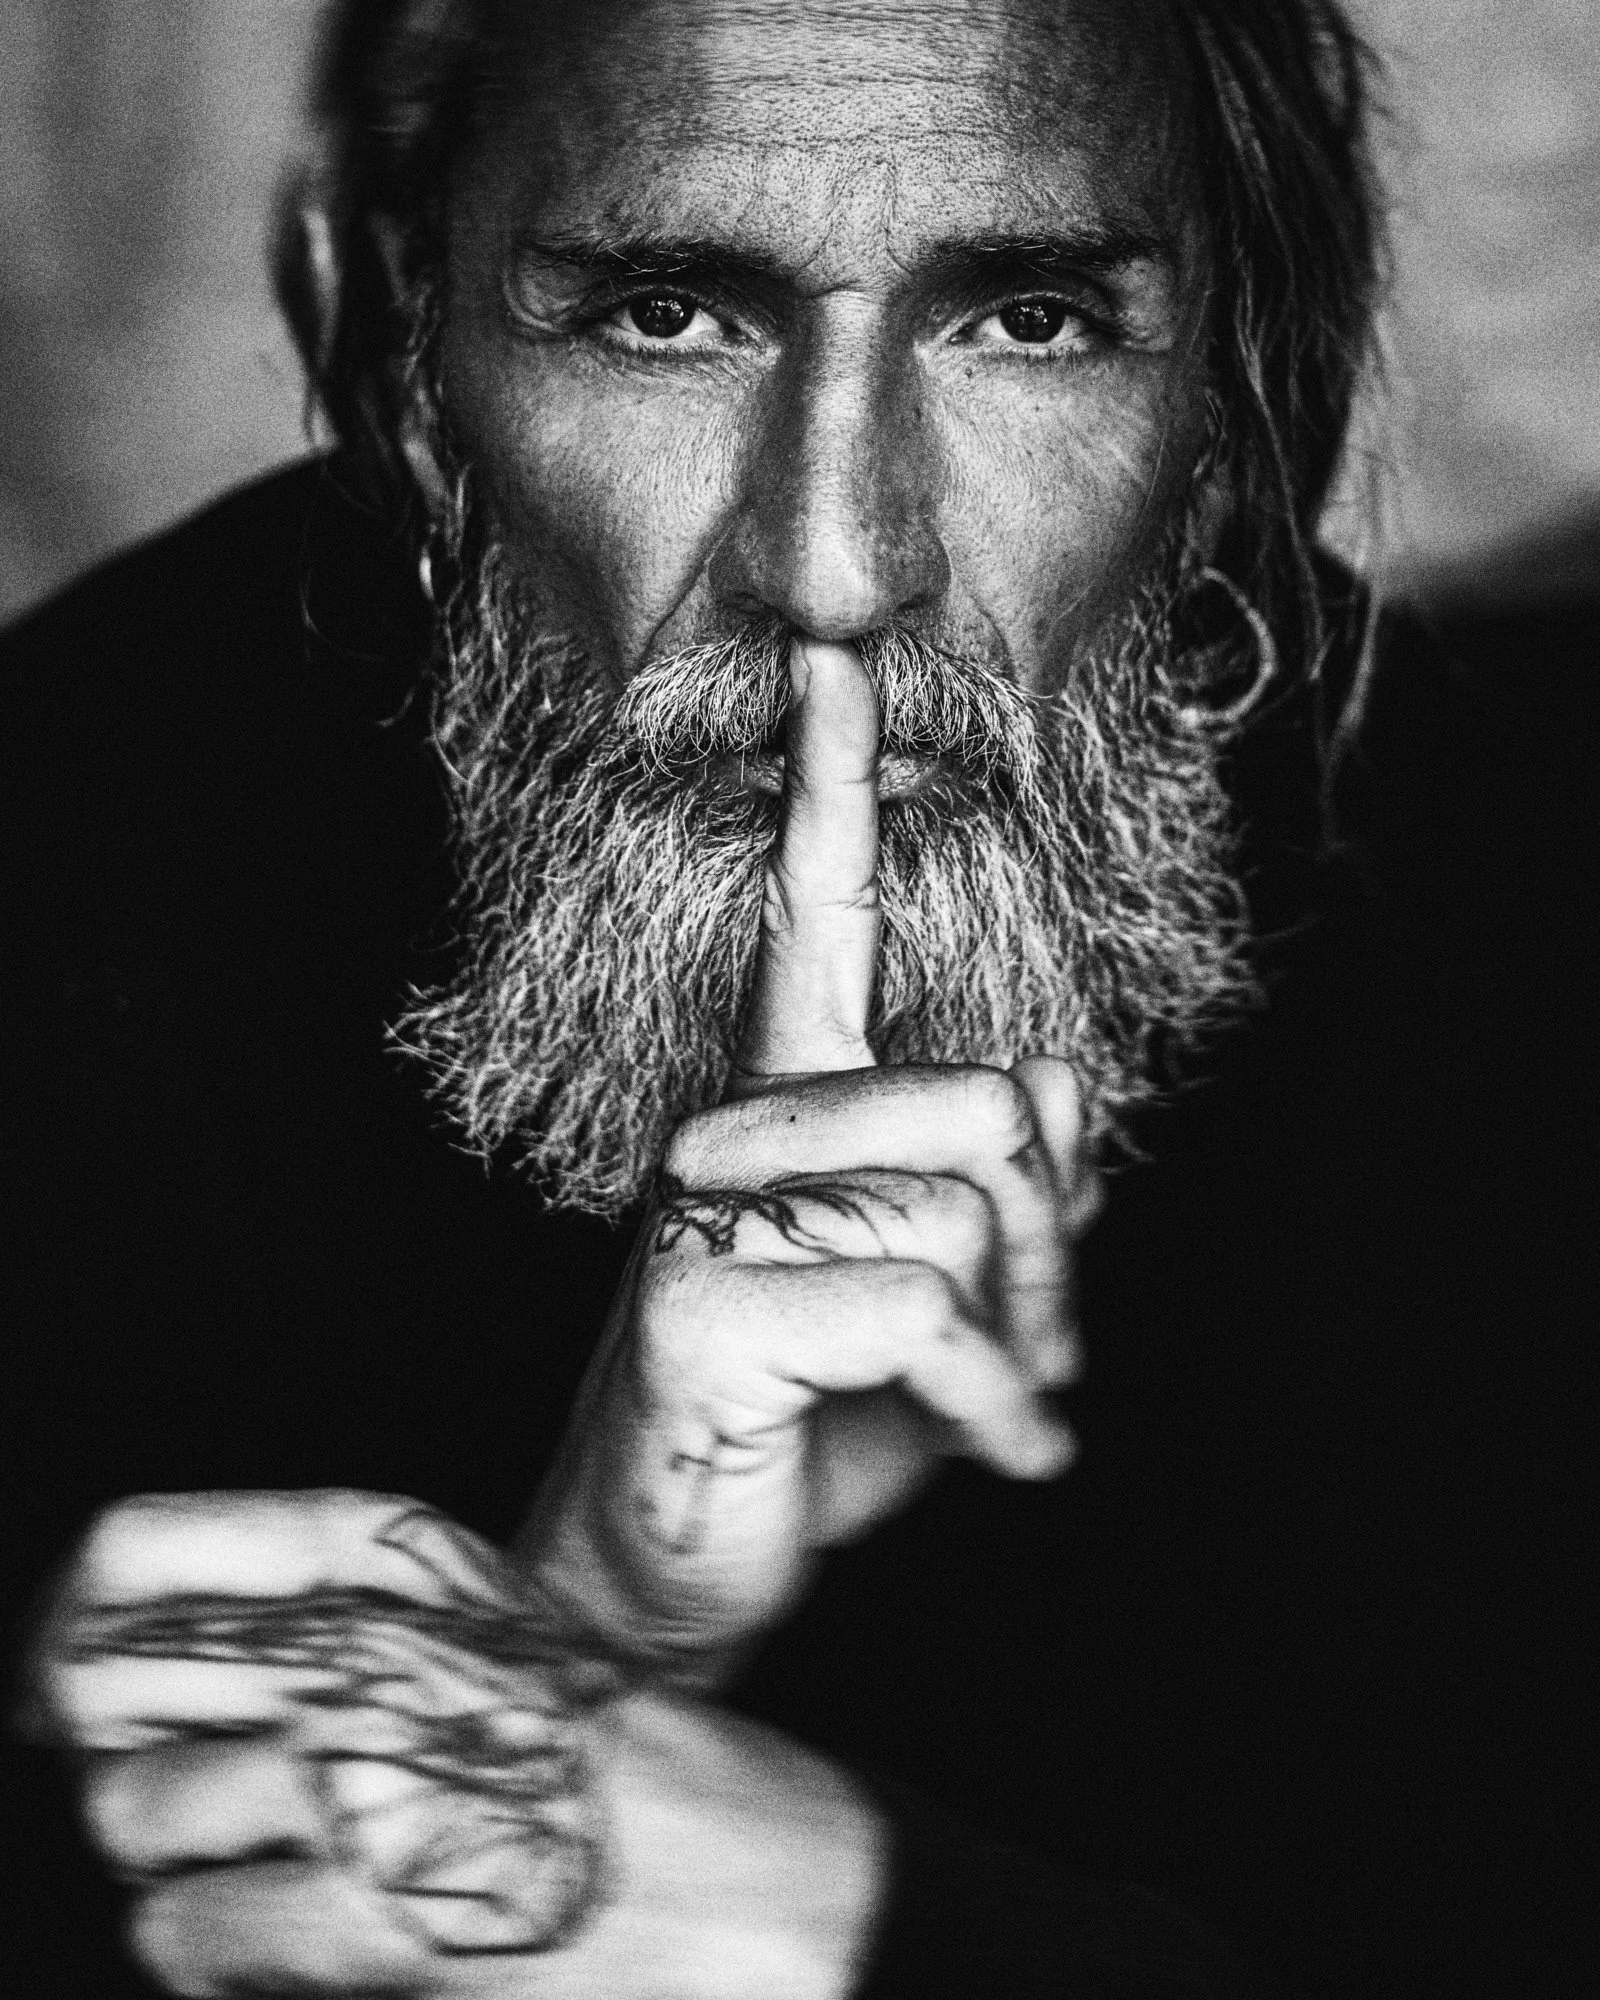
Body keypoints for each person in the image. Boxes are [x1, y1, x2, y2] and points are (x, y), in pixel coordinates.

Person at [2, 1, 1592, 1995]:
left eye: (1026, 321)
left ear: (1232, 398)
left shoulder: (1525, 948)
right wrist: (585, 1638)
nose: (837, 563)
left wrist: (869, 1923)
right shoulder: (64, 877)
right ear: (386, 341)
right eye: (663, 315)